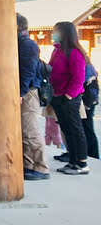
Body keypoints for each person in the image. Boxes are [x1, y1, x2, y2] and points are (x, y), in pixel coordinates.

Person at [49, 21, 90, 175]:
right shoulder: (57, 51)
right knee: (66, 129)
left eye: (56, 31)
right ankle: (72, 160)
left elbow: (78, 77)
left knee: (75, 129)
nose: (53, 34)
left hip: (69, 98)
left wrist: (69, 95)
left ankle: (82, 162)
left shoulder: (74, 52)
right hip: (57, 96)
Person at [17, 14, 50, 181]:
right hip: (24, 91)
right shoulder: (21, 44)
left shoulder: (28, 45)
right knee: (23, 130)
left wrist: (20, 92)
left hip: (28, 93)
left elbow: (28, 72)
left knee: (30, 130)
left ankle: (41, 167)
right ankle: (28, 164)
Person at [83, 62, 99, 159]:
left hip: (88, 100)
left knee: (87, 128)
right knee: (87, 128)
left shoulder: (87, 67)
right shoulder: (87, 64)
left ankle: (93, 155)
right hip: (89, 99)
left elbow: (85, 81)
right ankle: (91, 154)